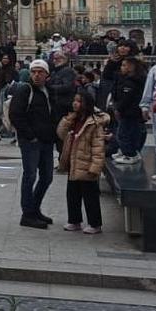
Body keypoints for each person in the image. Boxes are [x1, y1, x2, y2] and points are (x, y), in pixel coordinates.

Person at [9, 60, 58, 229]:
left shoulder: (49, 91)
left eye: (40, 72)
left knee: (47, 177)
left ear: (47, 74)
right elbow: (15, 114)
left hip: (46, 140)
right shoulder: (25, 90)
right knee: (30, 176)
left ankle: (34, 208)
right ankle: (27, 214)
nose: (36, 75)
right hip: (31, 141)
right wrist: (30, 136)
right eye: (33, 72)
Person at [57, 92, 107, 234]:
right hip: (73, 163)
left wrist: (95, 167)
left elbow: (98, 148)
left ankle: (95, 223)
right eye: (74, 100)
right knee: (72, 194)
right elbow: (61, 133)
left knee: (90, 196)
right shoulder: (74, 120)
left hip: (87, 165)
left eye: (79, 101)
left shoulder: (94, 123)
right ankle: (74, 220)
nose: (75, 103)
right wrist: (68, 119)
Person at [110, 57, 146, 164]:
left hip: (129, 112)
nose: (121, 68)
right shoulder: (129, 79)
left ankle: (130, 154)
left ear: (131, 67)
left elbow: (126, 98)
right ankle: (129, 152)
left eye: (124, 65)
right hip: (131, 111)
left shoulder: (131, 81)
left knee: (123, 134)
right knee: (131, 132)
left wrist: (118, 108)